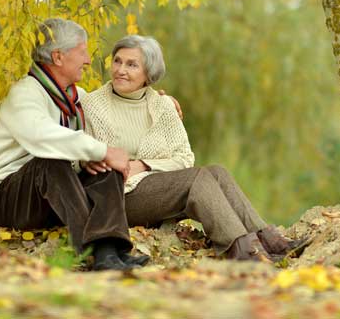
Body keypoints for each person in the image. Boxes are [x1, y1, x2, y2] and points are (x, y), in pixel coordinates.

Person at [81, 35, 305, 261]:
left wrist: (144, 165)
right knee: (197, 178)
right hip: (118, 199)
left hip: (155, 188)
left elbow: (184, 158)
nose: (120, 69)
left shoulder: (163, 106)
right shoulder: (93, 105)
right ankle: (243, 252)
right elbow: (88, 159)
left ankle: (268, 240)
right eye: (117, 61)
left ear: (148, 74)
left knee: (217, 172)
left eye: (131, 65)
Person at [0, 18, 151, 271]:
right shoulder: (23, 94)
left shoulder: (76, 97)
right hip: (9, 200)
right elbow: (42, 137)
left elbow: (117, 111)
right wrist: (101, 151)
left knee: (105, 167)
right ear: (58, 57)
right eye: (82, 52)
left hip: (54, 197)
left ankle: (107, 253)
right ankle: (88, 250)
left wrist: (155, 101)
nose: (89, 60)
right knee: (52, 160)